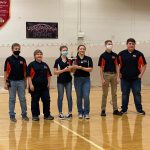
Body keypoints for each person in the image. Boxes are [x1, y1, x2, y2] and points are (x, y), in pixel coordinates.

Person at [118, 38, 147, 115]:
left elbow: (144, 65)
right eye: (130, 43)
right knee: (124, 94)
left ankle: (139, 110)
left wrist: (141, 75)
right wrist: (119, 74)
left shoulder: (139, 54)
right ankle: (124, 110)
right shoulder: (121, 54)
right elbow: (117, 64)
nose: (131, 45)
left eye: (133, 44)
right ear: (127, 44)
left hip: (136, 79)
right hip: (124, 79)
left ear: (135, 45)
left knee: (137, 94)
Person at [4, 43, 29, 122]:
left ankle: (24, 115)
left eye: (18, 49)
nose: (17, 50)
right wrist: (5, 82)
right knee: (12, 99)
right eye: (15, 49)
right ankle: (12, 116)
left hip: (21, 82)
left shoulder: (23, 59)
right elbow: (5, 72)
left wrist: (25, 82)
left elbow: (25, 72)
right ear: (12, 49)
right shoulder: (8, 59)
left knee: (22, 99)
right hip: (11, 82)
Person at [27, 49, 54, 121]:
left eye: (40, 54)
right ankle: (35, 115)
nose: (39, 55)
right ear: (34, 56)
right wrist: (30, 85)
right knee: (35, 101)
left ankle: (47, 115)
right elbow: (29, 76)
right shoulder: (31, 65)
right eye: (37, 54)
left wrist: (48, 83)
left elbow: (49, 75)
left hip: (44, 87)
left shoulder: (45, 65)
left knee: (46, 100)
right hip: (35, 87)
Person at [98, 40, 122, 116]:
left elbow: (117, 66)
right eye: (108, 44)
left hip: (114, 75)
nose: (110, 45)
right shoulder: (103, 56)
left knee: (114, 93)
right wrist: (102, 79)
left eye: (111, 44)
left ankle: (115, 110)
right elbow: (101, 68)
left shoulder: (115, 55)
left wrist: (118, 76)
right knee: (105, 94)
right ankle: (103, 110)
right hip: (106, 75)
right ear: (105, 45)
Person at [73, 45, 93, 119]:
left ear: (85, 50)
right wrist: (74, 68)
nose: (82, 50)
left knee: (86, 96)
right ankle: (80, 112)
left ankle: (86, 112)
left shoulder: (88, 59)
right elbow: (72, 70)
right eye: (80, 49)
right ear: (78, 50)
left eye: (83, 49)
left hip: (86, 79)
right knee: (79, 97)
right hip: (77, 79)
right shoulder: (74, 59)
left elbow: (90, 69)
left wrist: (81, 68)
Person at [54, 45, 73, 119]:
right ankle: (60, 113)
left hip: (68, 81)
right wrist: (64, 70)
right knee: (60, 97)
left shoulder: (69, 60)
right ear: (61, 51)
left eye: (66, 50)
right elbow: (55, 72)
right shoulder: (57, 61)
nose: (65, 51)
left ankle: (70, 113)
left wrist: (71, 69)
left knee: (69, 97)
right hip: (60, 82)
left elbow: (72, 70)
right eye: (64, 50)